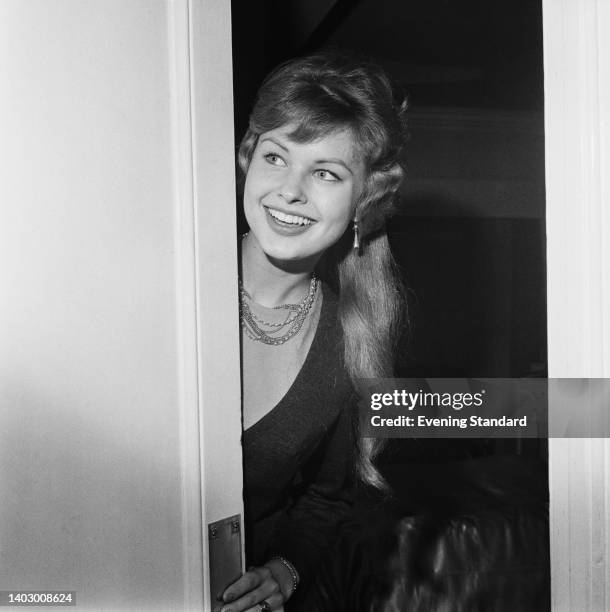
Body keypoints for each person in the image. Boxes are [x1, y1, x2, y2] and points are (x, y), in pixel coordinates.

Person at [220, 52, 408, 612]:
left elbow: (327, 497)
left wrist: (285, 569)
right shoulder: (165, 289)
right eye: (276, 156)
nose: (291, 190)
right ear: (248, 160)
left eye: (326, 172)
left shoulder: (349, 339)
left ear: (363, 201)